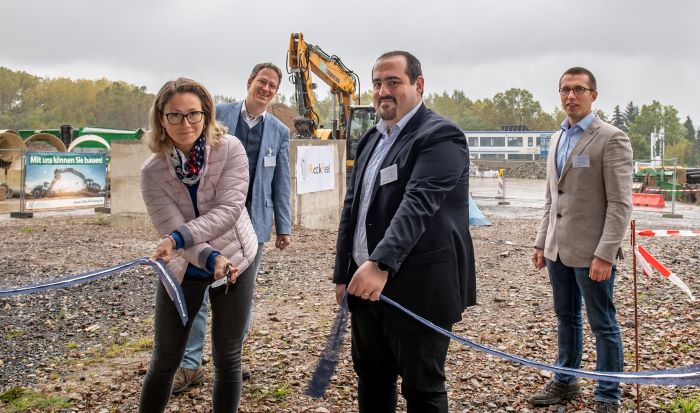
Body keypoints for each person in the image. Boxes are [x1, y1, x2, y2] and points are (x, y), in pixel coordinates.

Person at [333, 51, 476, 413]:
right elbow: (352, 208)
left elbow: (418, 205)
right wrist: (342, 272)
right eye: (377, 83)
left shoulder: (441, 136)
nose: (383, 91)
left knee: (422, 389)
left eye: (393, 82)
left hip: (418, 287)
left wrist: (379, 264)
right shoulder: (370, 139)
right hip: (365, 286)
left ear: (419, 85)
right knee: (372, 376)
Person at [139, 77, 258, 412]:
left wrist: (183, 241)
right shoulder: (152, 173)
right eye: (174, 115)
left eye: (193, 114)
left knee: (227, 356)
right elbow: (170, 224)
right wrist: (208, 256)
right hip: (184, 264)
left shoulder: (230, 149)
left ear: (206, 114)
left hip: (235, 259)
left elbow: (229, 210)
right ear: (161, 119)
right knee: (164, 358)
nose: (185, 123)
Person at [173, 63, 292, 392]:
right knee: (195, 292)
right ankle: (190, 364)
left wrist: (284, 226)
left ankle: (230, 361)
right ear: (249, 82)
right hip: (206, 219)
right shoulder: (217, 114)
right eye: (261, 82)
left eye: (272, 85)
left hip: (251, 227)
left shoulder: (280, 132)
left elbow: (280, 181)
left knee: (240, 298)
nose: (266, 89)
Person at [531, 67, 632, 413]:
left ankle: (607, 395)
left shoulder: (611, 138)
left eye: (578, 89)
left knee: (603, 323)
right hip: (558, 250)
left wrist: (605, 254)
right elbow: (552, 198)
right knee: (566, 318)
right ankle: (566, 381)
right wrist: (541, 242)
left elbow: (620, 204)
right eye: (565, 90)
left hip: (593, 254)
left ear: (593, 95)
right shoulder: (557, 138)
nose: (571, 96)